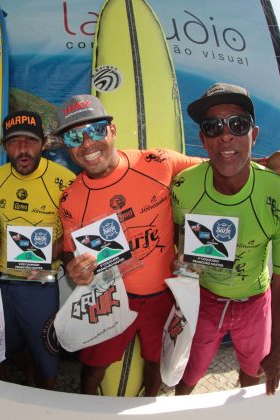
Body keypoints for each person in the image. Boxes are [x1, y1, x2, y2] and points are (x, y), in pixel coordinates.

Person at [57, 94, 204, 396]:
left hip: (164, 294)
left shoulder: (158, 162)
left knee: (155, 361)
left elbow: (216, 167)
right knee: (94, 366)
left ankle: (149, 405)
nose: (86, 143)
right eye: (73, 136)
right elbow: (73, 251)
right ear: (65, 146)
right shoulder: (70, 199)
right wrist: (77, 270)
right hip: (112, 295)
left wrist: (268, 164)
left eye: (96, 130)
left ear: (112, 130)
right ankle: (86, 410)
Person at [171, 82, 280, 396]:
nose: (225, 135)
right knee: (187, 374)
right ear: (203, 139)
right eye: (212, 127)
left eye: (237, 124)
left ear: (252, 135)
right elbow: (178, 236)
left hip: (255, 302)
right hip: (205, 300)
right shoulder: (183, 186)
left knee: (253, 373)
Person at [0, 110, 76, 389]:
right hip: (2, 280)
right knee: (6, 342)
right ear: (4, 146)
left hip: (40, 283)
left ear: (43, 143)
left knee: (46, 350)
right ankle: (27, 378)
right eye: (14, 141)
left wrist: (48, 252)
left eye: (30, 141)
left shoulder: (64, 181)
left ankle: (46, 397)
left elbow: (75, 231)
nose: (22, 149)